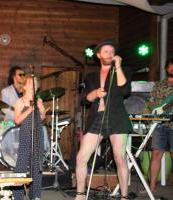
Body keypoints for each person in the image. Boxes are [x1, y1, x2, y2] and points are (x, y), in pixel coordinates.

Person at [75, 39, 132, 200]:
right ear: (99, 55)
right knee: (81, 157)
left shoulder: (123, 70)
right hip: (97, 118)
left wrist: (118, 67)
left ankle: (124, 197)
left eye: (112, 51)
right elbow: (84, 99)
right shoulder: (91, 76)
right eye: (105, 51)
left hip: (116, 118)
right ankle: (80, 195)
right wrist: (94, 94)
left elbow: (125, 91)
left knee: (119, 157)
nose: (109, 54)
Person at [12, 75, 46, 200]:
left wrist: (41, 110)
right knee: (21, 164)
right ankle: (17, 196)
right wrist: (29, 109)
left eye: (35, 84)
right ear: (25, 86)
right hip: (26, 134)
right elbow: (17, 120)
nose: (33, 86)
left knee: (37, 165)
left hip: (38, 134)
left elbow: (42, 118)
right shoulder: (20, 101)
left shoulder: (39, 100)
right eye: (31, 83)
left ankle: (35, 196)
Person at [145, 58, 173, 193]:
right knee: (156, 154)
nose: (172, 68)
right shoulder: (159, 84)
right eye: (171, 66)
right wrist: (154, 109)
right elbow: (150, 100)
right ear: (167, 68)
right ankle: (151, 187)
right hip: (158, 123)